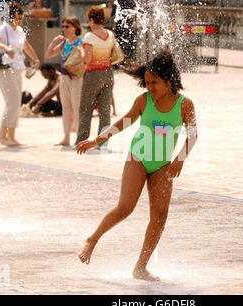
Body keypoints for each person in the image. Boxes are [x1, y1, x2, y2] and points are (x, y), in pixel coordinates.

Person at [76, 50, 198, 281]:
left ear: (168, 81)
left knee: (160, 215)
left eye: (154, 83)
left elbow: (193, 134)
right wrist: (96, 140)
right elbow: (122, 123)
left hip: (163, 165)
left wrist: (180, 158)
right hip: (138, 159)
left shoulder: (185, 105)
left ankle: (140, 267)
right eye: (147, 82)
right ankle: (92, 240)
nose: (149, 87)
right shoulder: (143, 101)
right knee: (125, 208)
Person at [0, 1, 40, 146]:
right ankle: (1, 137)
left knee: (16, 103)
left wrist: (35, 59)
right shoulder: (3, 29)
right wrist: (5, 47)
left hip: (17, 69)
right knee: (13, 102)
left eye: (21, 17)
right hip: (5, 69)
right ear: (11, 16)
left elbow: (26, 46)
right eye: (18, 17)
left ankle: (11, 136)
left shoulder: (20, 31)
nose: (20, 20)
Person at [74, 6, 117, 150]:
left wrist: (80, 50)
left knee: (86, 108)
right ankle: (103, 143)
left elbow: (87, 58)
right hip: (108, 73)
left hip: (93, 74)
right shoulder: (110, 34)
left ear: (92, 20)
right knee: (105, 110)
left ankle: (81, 141)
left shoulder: (89, 37)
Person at [46, 16, 85, 146]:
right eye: (63, 26)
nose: (64, 29)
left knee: (77, 107)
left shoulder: (81, 42)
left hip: (76, 78)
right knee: (66, 108)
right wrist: (53, 41)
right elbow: (49, 54)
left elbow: (86, 61)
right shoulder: (64, 43)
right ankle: (66, 137)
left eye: (67, 26)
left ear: (75, 27)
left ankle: (79, 137)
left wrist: (75, 68)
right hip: (64, 78)